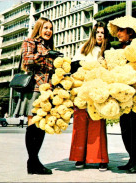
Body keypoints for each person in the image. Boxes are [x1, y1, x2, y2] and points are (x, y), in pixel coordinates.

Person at [16, 17, 62, 175]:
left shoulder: (50, 46)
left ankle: (34, 162)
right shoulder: (30, 42)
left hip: (47, 89)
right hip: (35, 87)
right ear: (39, 29)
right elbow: (27, 60)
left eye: (50, 28)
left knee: (41, 125)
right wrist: (46, 54)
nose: (49, 31)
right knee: (33, 123)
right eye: (45, 28)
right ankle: (33, 161)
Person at [107, 15, 136, 173]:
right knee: (126, 129)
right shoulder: (122, 48)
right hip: (125, 97)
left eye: (121, 30)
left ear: (130, 32)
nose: (118, 33)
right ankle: (133, 158)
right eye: (117, 30)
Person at [69, 21, 110, 172]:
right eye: (98, 32)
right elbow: (73, 67)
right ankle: (79, 157)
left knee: (97, 125)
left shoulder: (106, 51)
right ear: (94, 33)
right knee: (80, 124)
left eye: (103, 33)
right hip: (81, 90)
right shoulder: (83, 48)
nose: (100, 35)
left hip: (98, 91)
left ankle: (100, 158)